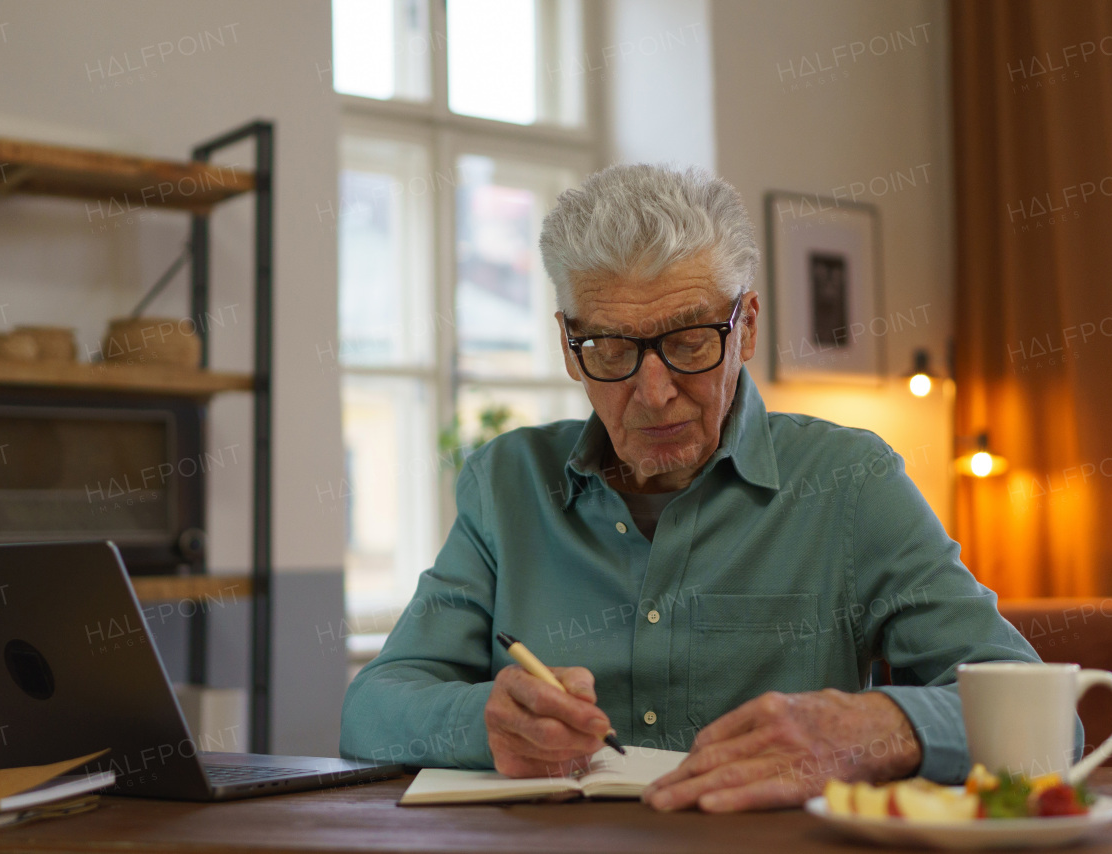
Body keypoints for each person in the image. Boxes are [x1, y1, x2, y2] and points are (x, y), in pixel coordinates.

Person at [340, 163, 1052, 812]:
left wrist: (876, 727)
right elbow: (370, 709)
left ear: (744, 329)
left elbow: (1049, 722)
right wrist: (484, 722)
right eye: (612, 349)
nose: (653, 394)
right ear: (567, 346)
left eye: (688, 343)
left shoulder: (849, 483)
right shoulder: (506, 485)